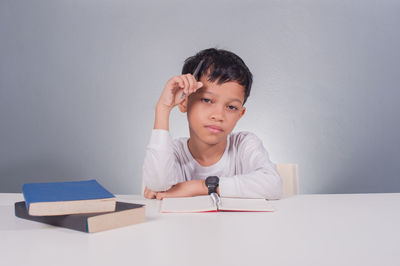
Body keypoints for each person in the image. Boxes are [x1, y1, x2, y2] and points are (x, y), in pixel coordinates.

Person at [142, 48, 282, 200]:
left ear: (240, 114)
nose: (219, 116)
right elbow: (157, 186)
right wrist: (163, 108)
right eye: (207, 100)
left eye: (231, 107)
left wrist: (201, 186)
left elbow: (273, 185)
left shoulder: (243, 145)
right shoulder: (172, 153)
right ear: (184, 102)